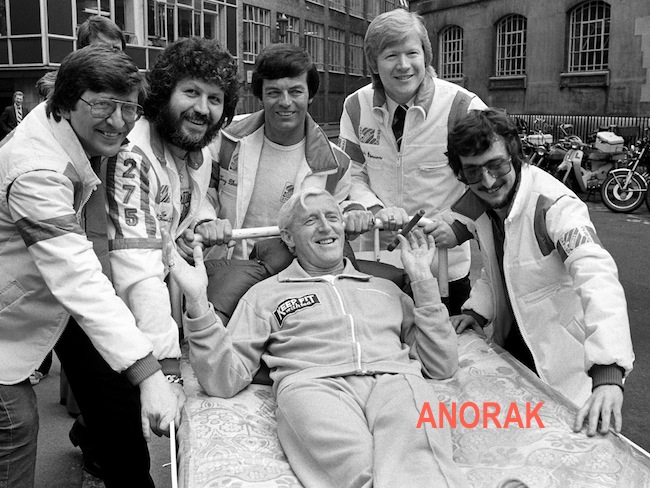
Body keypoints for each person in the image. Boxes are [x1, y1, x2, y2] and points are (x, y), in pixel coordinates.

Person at [173, 187, 468, 488]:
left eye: (332, 217)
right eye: (311, 220)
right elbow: (224, 379)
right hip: (312, 386)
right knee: (358, 471)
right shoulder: (264, 295)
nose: (326, 227)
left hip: (396, 379)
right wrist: (197, 301)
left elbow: (441, 363)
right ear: (288, 237)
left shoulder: (385, 288)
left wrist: (421, 278)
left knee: (423, 464)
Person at [0, 46, 181, 488]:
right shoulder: (36, 170)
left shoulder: (73, 131)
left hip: (42, 296)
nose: (119, 121)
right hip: (16, 309)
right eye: (102, 105)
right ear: (64, 103)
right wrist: (151, 373)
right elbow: (77, 276)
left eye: (129, 107)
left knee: (113, 385)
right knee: (15, 423)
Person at [445, 108, 635, 437]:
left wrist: (608, 371)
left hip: (565, 371)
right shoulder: (482, 208)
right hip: (513, 360)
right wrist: (477, 311)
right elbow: (498, 269)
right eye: (474, 172)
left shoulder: (554, 206)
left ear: (515, 155)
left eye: (496, 165)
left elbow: (597, 275)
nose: (488, 181)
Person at [338, 9, 487, 314]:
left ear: (426, 56)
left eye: (412, 53)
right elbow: (351, 174)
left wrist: (459, 227)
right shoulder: (355, 106)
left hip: (442, 266)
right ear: (374, 64)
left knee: (444, 352)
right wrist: (374, 210)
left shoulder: (462, 106)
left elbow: (493, 177)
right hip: (378, 261)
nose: (404, 65)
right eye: (391, 55)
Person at [195, 43, 354, 260]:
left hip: (295, 275)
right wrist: (206, 220)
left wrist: (356, 212)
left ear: (310, 95)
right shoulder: (225, 138)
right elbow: (200, 191)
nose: (285, 102)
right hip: (228, 269)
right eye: (274, 92)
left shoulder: (337, 163)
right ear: (261, 95)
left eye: (296, 91)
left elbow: (341, 212)